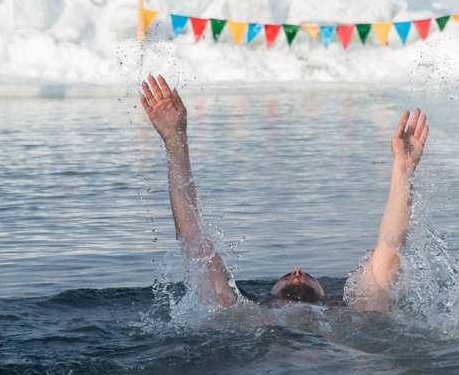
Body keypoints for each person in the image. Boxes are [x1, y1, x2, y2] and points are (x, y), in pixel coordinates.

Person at [139, 74, 429, 314]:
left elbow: (390, 250)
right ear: (269, 295)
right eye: (289, 277)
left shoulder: (353, 309)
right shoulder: (244, 312)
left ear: (326, 295)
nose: (297, 270)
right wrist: (175, 143)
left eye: (297, 276)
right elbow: (192, 239)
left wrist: (403, 169)